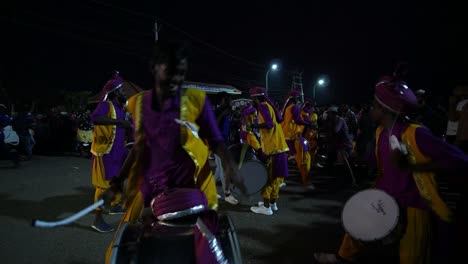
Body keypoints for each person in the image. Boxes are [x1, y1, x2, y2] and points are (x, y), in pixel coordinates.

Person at [102, 41, 243, 262]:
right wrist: (119, 181)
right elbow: (140, 147)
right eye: (171, 72)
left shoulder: (196, 100)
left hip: (193, 188)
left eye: (181, 73)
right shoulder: (139, 103)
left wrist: (229, 164)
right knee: (125, 247)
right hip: (152, 188)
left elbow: (215, 140)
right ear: (154, 68)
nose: (177, 79)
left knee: (207, 250)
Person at [314, 75, 468, 264]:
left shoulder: (415, 133)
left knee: (412, 257)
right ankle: (342, 258)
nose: (370, 108)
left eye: (374, 104)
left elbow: (461, 160)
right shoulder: (381, 132)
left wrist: (413, 166)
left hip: (414, 205)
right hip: (384, 195)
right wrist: (359, 157)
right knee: (357, 226)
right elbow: (379, 161)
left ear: (383, 109)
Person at [90, 71, 131, 233]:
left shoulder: (120, 107)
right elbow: (95, 118)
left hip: (118, 152)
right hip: (106, 153)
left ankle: (113, 205)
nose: (125, 93)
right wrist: (120, 122)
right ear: (114, 92)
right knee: (103, 186)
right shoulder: (107, 105)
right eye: (122, 90)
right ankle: (97, 220)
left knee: (118, 180)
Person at [248, 87, 289, 216]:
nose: (252, 101)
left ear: (255, 98)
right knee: (276, 178)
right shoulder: (269, 106)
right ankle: (272, 203)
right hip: (279, 147)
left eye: (252, 98)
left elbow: (269, 124)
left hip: (272, 149)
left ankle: (266, 208)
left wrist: (254, 126)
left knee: (268, 178)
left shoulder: (262, 106)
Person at [281, 90, 313, 189]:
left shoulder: (286, 108)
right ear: (295, 98)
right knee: (304, 160)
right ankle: (306, 182)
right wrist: (308, 123)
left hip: (286, 137)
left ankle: (280, 181)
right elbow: (298, 120)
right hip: (294, 137)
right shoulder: (294, 107)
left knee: (283, 160)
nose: (299, 100)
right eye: (298, 98)